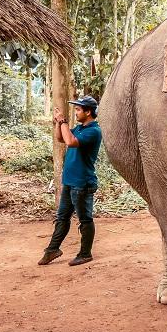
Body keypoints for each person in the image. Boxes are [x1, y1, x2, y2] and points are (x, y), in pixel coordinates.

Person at [38, 95, 103, 267]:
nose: (76, 112)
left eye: (78, 109)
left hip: (82, 183)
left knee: (85, 220)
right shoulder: (80, 128)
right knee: (62, 218)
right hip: (70, 182)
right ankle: (52, 249)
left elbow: (71, 142)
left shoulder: (93, 131)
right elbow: (61, 139)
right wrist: (60, 123)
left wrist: (64, 121)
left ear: (88, 112)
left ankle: (85, 254)